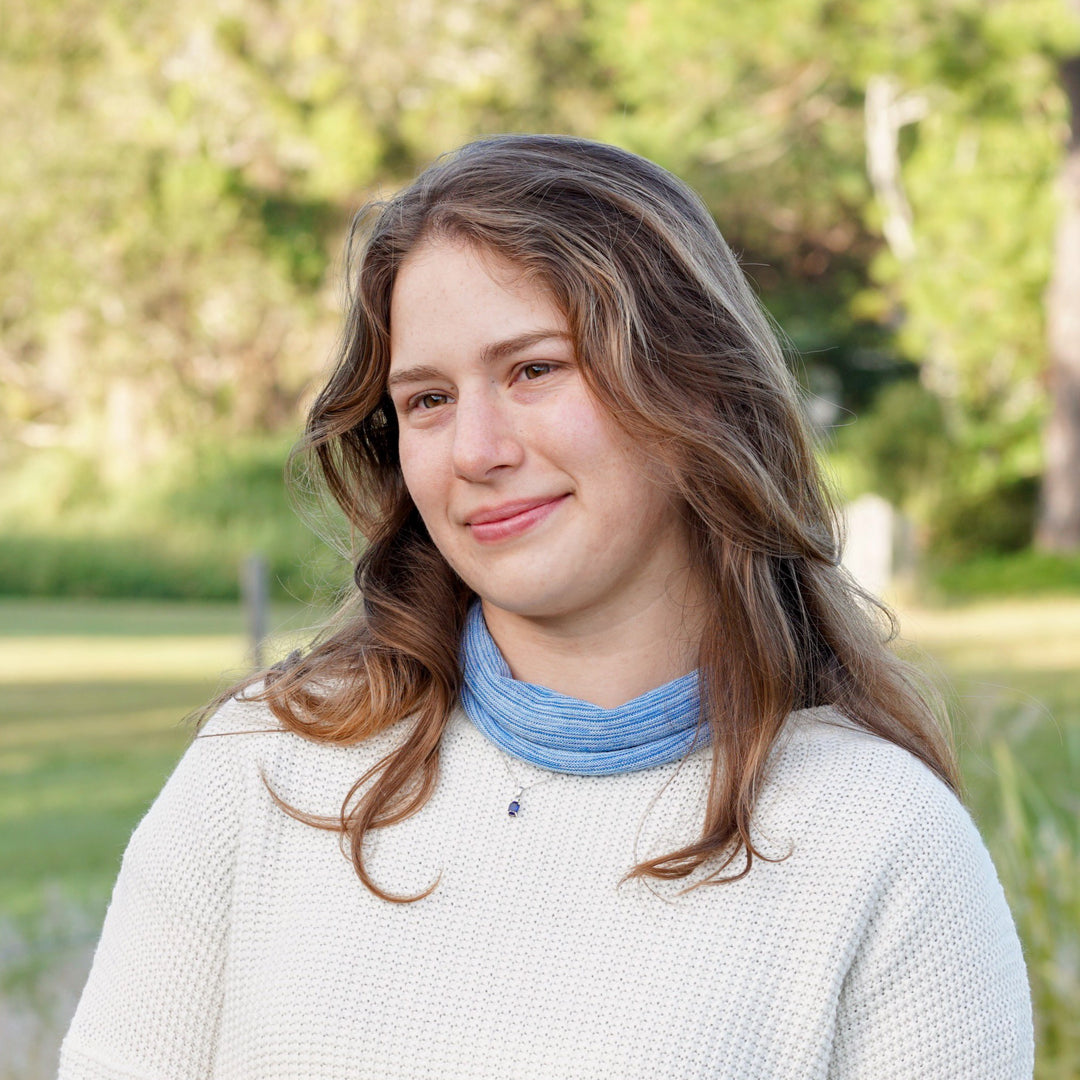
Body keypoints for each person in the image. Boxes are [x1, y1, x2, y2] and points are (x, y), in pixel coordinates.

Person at [59, 134, 1033, 1080]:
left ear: (694, 387)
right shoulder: (262, 767)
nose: (476, 448)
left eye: (533, 370)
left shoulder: (884, 842)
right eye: (429, 399)